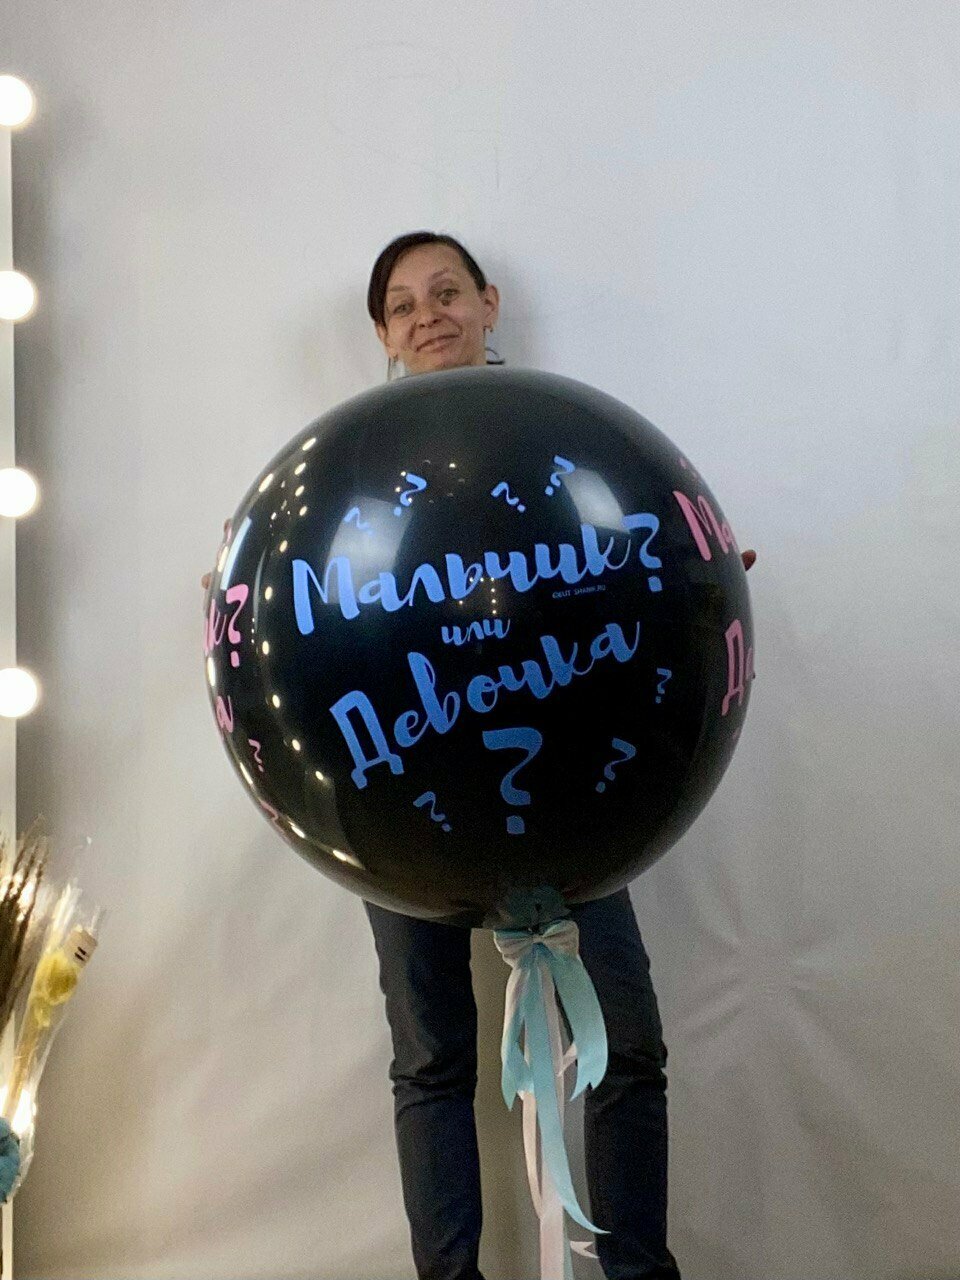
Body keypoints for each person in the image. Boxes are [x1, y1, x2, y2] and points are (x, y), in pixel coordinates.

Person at [203, 231, 756, 1280]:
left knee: (626, 1043)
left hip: (570, 798)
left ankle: (639, 1270)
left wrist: (695, 573)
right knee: (430, 1058)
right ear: (382, 333)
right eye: (404, 304)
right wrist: (245, 601)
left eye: (447, 291)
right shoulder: (347, 473)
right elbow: (295, 613)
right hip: (396, 795)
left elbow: (626, 577)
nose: (429, 314)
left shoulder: (561, 442)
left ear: (489, 302)